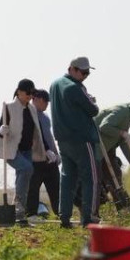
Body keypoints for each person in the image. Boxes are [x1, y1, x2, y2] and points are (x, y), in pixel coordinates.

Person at [0, 79, 54, 225]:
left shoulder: (32, 109)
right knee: (27, 168)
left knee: (24, 177)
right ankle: (19, 207)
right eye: (28, 93)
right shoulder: (9, 107)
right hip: (11, 150)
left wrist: (47, 149)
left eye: (32, 93)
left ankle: (19, 211)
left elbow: (37, 131)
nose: (30, 96)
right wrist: (2, 130)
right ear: (19, 92)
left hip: (26, 150)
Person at [49, 57, 100, 228]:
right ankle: (89, 217)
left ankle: (64, 218)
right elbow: (93, 110)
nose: (85, 75)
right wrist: (92, 101)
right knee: (90, 179)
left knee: (67, 178)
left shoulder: (55, 84)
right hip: (82, 139)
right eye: (83, 72)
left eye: (87, 73)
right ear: (72, 69)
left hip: (63, 140)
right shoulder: (75, 87)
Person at [94, 95, 130, 212]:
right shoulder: (122, 111)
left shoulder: (128, 118)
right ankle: (93, 212)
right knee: (98, 179)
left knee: (115, 176)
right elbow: (104, 126)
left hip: (108, 148)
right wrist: (122, 133)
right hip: (96, 147)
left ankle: (125, 209)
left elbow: (123, 143)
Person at [26, 89, 61, 220]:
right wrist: (44, 150)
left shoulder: (45, 117)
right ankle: (31, 214)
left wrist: (56, 154)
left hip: (50, 161)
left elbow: (49, 137)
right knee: (33, 188)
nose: (47, 105)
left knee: (56, 188)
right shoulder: (28, 114)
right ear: (38, 99)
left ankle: (61, 213)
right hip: (35, 159)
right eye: (46, 102)